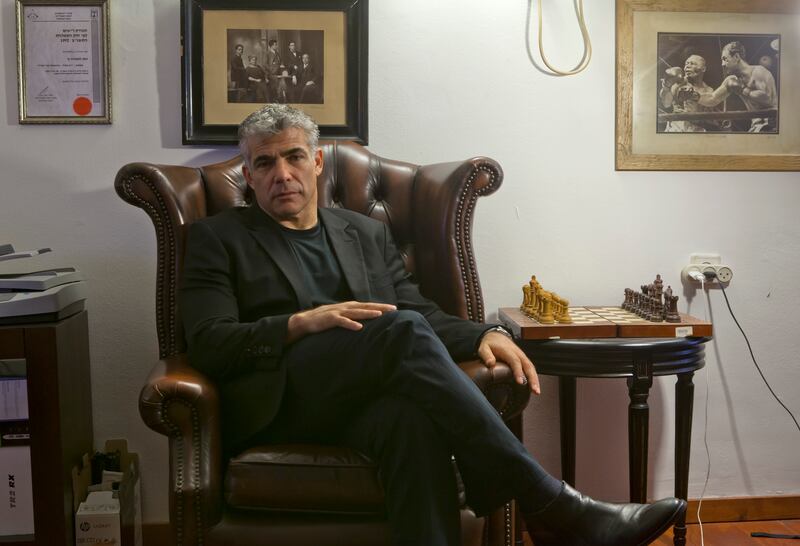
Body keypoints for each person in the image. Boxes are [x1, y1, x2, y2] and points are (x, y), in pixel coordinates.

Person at [180, 104, 686, 546]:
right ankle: (551, 503)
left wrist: (487, 334)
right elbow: (207, 343)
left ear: (315, 163)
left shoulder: (364, 233)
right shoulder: (217, 239)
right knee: (397, 331)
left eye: (293, 157)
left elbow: (419, 312)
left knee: (413, 421)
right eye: (264, 162)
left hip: (363, 400)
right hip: (283, 401)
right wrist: (299, 323)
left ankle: (551, 509)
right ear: (248, 174)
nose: (281, 173)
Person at [699, 41, 778, 132]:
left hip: (772, 124)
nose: (723, 64)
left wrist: (743, 89)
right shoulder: (732, 79)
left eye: (725, 59)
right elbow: (713, 99)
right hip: (756, 126)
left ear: (736, 57)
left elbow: (767, 99)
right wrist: (694, 96)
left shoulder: (758, 71)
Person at [658, 54, 717, 132]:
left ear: (703, 69)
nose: (688, 66)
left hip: (698, 130)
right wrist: (666, 86)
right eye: (686, 63)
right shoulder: (678, 84)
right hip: (676, 128)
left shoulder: (709, 90)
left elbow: (710, 119)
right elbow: (666, 104)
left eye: (692, 64)